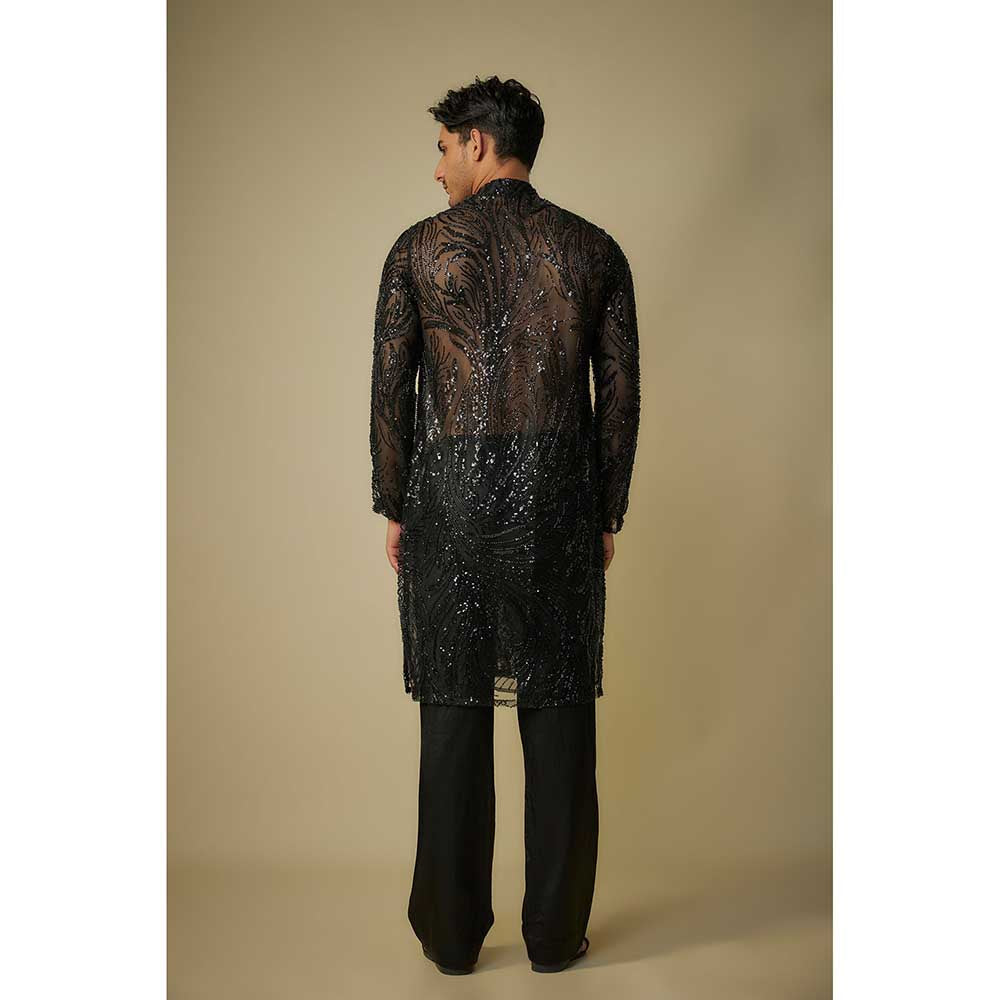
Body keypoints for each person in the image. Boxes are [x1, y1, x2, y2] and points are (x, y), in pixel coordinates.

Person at [369, 74, 641, 974]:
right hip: (557, 500)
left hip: (449, 503)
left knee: (453, 718)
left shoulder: (417, 251)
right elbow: (620, 396)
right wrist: (604, 509)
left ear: (479, 143)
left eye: (444, 147)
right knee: (558, 718)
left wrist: (395, 503)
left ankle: (452, 939)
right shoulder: (594, 250)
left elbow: (391, 389)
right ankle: (556, 938)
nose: (437, 167)